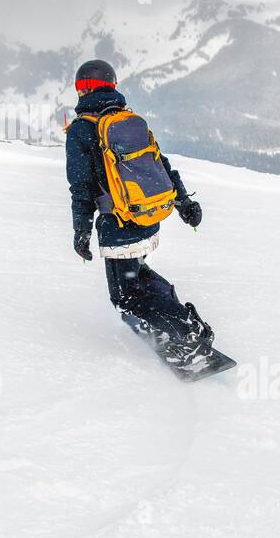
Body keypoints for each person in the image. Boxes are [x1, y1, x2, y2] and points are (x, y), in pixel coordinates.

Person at [65, 59, 214, 365]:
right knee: (138, 274)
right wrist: (183, 203)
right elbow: (162, 165)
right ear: (113, 86)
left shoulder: (81, 130)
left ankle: (186, 336)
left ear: (84, 89)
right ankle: (185, 321)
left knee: (125, 296)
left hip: (118, 224)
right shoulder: (130, 120)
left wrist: (81, 231)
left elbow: (81, 188)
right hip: (147, 218)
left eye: (80, 87)